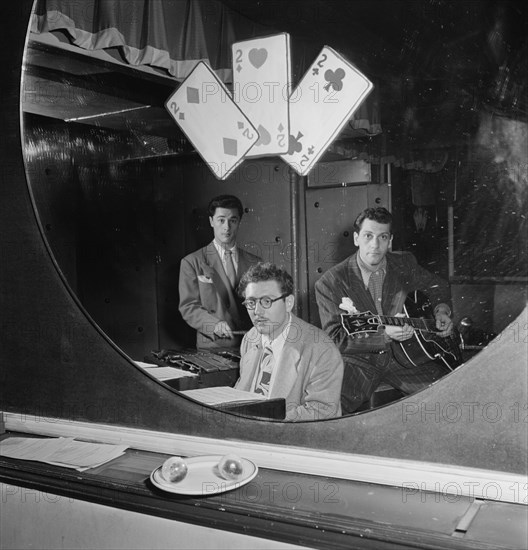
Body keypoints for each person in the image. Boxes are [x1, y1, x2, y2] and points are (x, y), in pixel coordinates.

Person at [315, 207, 454, 415]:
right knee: (326, 415)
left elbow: (438, 286)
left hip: (410, 359)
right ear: (356, 238)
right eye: (368, 236)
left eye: (383, 237)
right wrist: (384, 335)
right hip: (359, 363)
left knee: (453, 400)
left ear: (390, 240)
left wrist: (441, 310)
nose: (375, 245)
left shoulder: (404, 264)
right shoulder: (331, 282)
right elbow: (336, 337)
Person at [235, 262, 344, 421]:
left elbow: (322, 411)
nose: (257, 312)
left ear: (288, 303)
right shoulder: (250, 338)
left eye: (266, 301)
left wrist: (265, 420)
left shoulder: (321, 348)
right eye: (251, 303)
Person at [179, 195, 261, 350]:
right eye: (221, 220)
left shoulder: (256, 263)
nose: (227, 227)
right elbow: (188, 306)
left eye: (233, 221)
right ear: (211, 221)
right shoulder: (191, 262)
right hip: (213, 347)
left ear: (239, 222)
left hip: (253, 346)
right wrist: (213, 325)